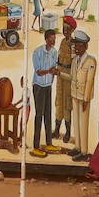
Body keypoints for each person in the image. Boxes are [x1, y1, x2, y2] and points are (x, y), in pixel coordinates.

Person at [29, 27, 61, 157]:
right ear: (46, 39)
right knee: (39, 115)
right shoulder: (37, 52)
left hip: (48, 85)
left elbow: (54, 68)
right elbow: (39, 72)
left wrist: (54, 74)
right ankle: (36, 146)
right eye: (51, 40)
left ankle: (48, 143)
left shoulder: (54, 52)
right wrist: (50, 71)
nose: (53, 42)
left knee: (48, 115)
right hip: (38, 86)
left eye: (54, 40)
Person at [68, 29, 97, 161]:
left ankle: (84, 152)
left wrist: (86, 99)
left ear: (85, 46)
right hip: (75, 94)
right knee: (76, 122)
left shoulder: (91, 62)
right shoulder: (75, 61)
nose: (76, 48)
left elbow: (89, 81)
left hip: (83, 96)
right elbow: (72, 77)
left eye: (79, 45)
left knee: (83, 123)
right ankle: (78, 147)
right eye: (75, 45)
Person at [53, 14, 77, 143]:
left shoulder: (72, 44)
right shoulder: (62, 42)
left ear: (72, 30)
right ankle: (57, 129)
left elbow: (74, 62)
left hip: (67, 74)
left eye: (68, 28)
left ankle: (67, 132)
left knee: (67, 104)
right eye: (64, 27)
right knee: (59, 101)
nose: (65, 30)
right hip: (59, 73)